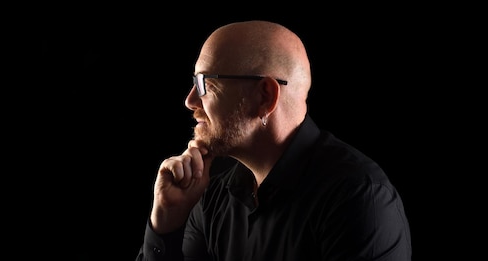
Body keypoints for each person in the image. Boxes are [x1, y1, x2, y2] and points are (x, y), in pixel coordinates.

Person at [135, 20, 412, 261]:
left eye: (205, 83)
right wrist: (166, 224)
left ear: (265, 96)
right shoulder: (210, 192)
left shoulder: (359, 200)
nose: (190, 100)